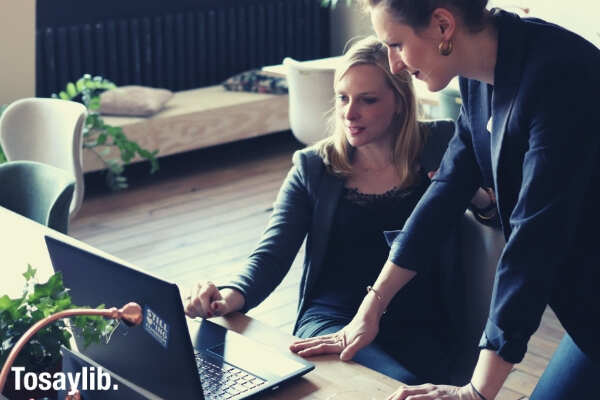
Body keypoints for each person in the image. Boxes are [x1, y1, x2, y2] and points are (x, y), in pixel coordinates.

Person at [291, 1, 600, 399]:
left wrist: (476, 392)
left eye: (397, 44)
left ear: (442, 25)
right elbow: (445, 192)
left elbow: (534, 242)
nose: (395, 64)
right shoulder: (479, 76)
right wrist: (369, 312)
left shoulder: (559, 76)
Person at [185, 35, 479, 384]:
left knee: (401, 384)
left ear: (400, 102)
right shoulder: (313, 167)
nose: (349, 113)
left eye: (367, 100)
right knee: (387, 385)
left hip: (423, 321)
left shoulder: (443, 144)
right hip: (332, 319)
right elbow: (271, 255)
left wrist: (480, 199)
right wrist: (228, 297)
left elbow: (496, 216)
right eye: (342, 98)